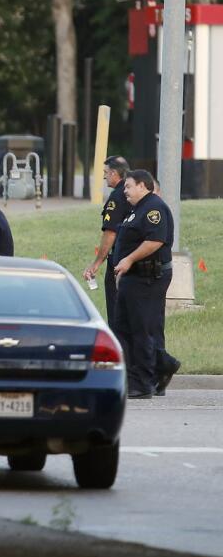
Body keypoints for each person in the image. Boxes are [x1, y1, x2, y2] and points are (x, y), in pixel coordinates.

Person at [112, 170, 182, 398]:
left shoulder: (154, 209)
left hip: (147, 278)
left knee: (141, 329)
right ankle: (160, 367)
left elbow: (155, 240)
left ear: (142, 186)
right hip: (133, 278)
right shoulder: (137, 210)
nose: (125, 191)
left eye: (128, 187)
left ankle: (143, 383)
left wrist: (129, 259)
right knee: (126, 328)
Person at [83, 156, 132, 332]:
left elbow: (110, 232)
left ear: (114, 173)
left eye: (105, 173)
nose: (104, 177)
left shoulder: (117, 197)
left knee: (116, 314)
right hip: (133, 259)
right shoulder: (133, 193)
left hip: (118, 260)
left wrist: (96, 263)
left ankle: (121, 352)